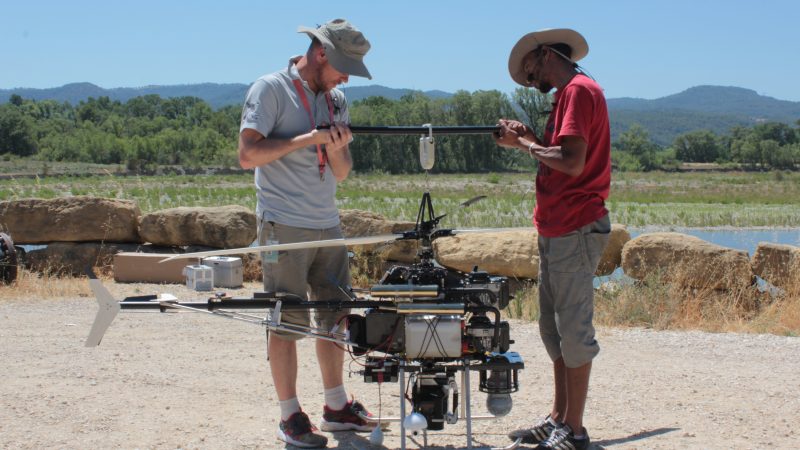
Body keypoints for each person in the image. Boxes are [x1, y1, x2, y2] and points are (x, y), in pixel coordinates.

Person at [238, 18, 376, 449]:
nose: (346, 77)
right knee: (287, 321)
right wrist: (306, 139)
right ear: (320, 55)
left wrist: (334, 149)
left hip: (327, 221)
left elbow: (343, 171)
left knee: (336, 316)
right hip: (283, 223)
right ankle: (290, 416)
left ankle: (336, 406)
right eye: (342, 66)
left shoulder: (335, 99)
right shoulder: (270, 88)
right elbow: (247, 155)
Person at [493, 28, 611, 450]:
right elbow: (560, 154)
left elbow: (573, 163)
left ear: (544, 54)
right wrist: (532, 138)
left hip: (575, 227)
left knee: (573, 331)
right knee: (552, 328)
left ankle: (573, 431)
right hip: (558, 226)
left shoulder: (578, 91)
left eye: (529, 71)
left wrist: (524, 144)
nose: (530, 81)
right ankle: (559, 417)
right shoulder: (567, 95)